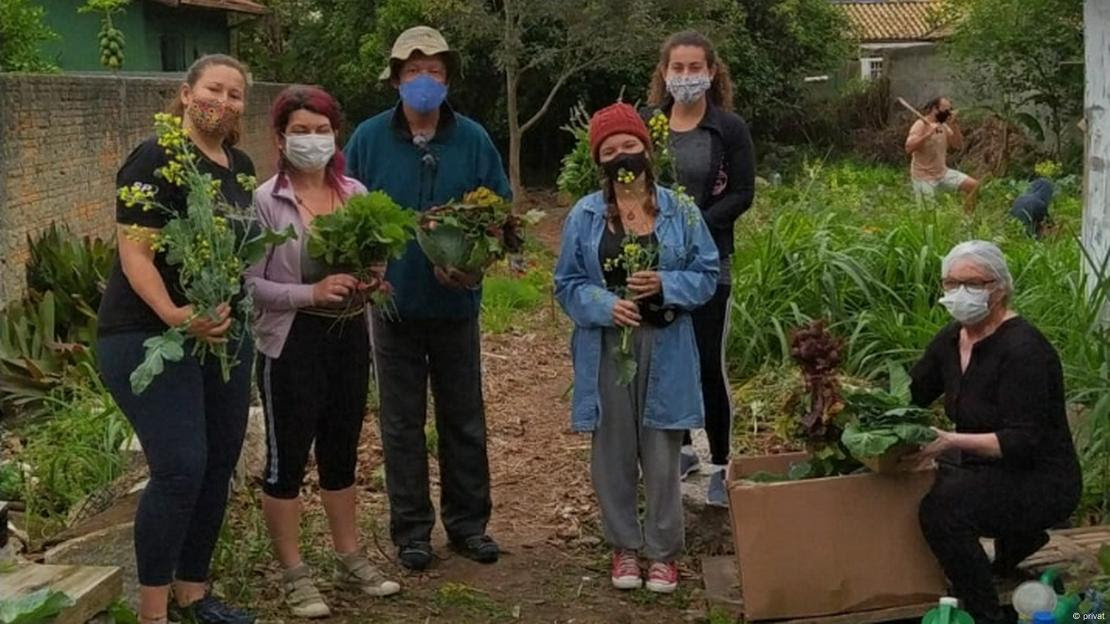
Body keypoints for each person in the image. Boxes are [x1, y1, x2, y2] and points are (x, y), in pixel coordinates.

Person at [96, 54, 258, 624]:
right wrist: (175, 313)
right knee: (181, 466)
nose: (224, 100)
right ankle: (152, 613)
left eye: (235, 94)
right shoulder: (157, 155)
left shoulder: (239, 165)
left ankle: (194, 592)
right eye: (214, 88)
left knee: (218, 463)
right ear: (186, 95)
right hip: (146, 333)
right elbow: (134, 251)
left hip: (220, 338)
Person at [344, 26, 511, 571]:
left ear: (447, 80)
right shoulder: (368, 139)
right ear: (395, 79)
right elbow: (346, 214)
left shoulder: (473, 139)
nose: (423, 81)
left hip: (456, 306)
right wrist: (363, 270)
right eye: (412, 71)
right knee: (400, 423)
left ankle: (468, 526)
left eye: (434, 72)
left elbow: (500, 220)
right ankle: (411, 531)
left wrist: (472, 267)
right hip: (391, 308)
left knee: (464, 418)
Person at [245, 85, 401, 619]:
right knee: (287, 459)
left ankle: (349, 557)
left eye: (321, 130)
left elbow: (376, 256)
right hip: (292, 341)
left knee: (342, 451)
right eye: (301, 130)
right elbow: (250, 285)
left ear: (336, 135)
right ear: (281, 137)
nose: (312, 140)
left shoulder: (356, 193)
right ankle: (294, 573)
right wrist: (310, 292)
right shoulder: (265, 201)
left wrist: (372, 278)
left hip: (349, 336)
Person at [554, 102, 719, 594]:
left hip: (667, 345)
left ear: (648, 149)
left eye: (630, 145)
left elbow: (708, 273)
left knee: (664, 449)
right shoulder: (585, 214)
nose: (622, 156)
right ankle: (624, 546)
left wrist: (667, 285)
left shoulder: (681, 210)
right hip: (607, 346)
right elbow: (565, 283)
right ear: (598, 160)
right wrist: (605, 305)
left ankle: (664, 551)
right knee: (612, 449)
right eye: (610, 150)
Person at [904, 241, 1081, 624]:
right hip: (983, 465)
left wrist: (948, 440)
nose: (958, 294)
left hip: (1039, 478)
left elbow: (1022, 440)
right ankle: (1016, 544)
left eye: (970, 284)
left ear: (999, 288)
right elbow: (916, 392)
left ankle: (985, 613)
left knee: (942, 510)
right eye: (950, 284)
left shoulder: (1025, 350)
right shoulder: (954, 338)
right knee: (914, 476)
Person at [645, 30, 756, 507]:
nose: (686, 77)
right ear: (664, 74)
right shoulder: (650, 124)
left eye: (695, 68)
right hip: (657, 266)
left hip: (710, 264)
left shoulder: (728, 129)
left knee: (709, 362)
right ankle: (684, 448)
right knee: (668, 361)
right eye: (678, 69)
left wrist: (693, 226)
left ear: (711, 73)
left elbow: (741, 194)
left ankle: (720, 465)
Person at [904, 97, 979, 212]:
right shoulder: (920, 125)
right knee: (929, 215)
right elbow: (908, 148)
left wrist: (954, 125)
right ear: (935, 109)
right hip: (923, 176)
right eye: (946, 111)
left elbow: (958, 145)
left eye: (950, 111)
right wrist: (927, 134)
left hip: (942, 173)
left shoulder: (943, 126)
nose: (948, 114)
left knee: (973, 186)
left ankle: (967, 220)